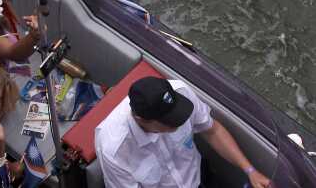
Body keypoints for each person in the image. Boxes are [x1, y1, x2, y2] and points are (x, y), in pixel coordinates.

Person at [95, 76, 271, 188]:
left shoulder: (180, 91)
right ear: (142, 120)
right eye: (169, 121)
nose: (179, 120)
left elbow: (212, 130)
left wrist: (250, 171)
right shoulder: (114, 148)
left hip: (200, 177)